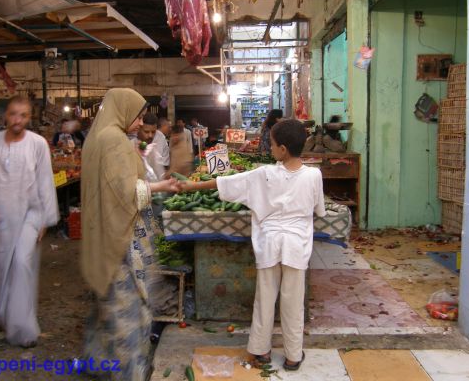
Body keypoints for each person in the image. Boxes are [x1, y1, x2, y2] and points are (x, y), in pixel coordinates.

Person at [181, 120, 325, 371]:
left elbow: (226, 183)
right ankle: (293, 356)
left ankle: (261, 351)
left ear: (282, 149)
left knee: (265, 299)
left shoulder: (264, 173)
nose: (269, 149)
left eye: (271, 144)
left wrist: (191, 186)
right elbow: (319, 210)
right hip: (296, 246)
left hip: (269, 244)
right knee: (293, 302)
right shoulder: (314, 175)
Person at [80, 88, 180, 380]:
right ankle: (127, 371)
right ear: (124, 110)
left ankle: (98, 362)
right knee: (127, 306)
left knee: (107, 304)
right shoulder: (113, 140)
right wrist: (162, 187)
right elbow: (126, 194)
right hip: (120, 237)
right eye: (137, 116)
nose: (139, 123)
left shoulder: (98, 137)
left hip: (102, 232)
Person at [0, 96, 59, 348]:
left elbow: (45, 180)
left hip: (31, 214)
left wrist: (45, 217)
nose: (17, 120)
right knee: (2, 266)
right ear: (5, 116)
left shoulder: (38, 144)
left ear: (29, 118)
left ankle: (23, 328)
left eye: (23, 115)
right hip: (1, 216)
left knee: (22, 263)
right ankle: (1, 314)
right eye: (13, 114)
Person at [137, 113, 165, 181]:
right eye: (146, 132)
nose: (150, 136)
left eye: (153, 132)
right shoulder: (131, 145)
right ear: (139, 129)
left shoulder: (159, 139)